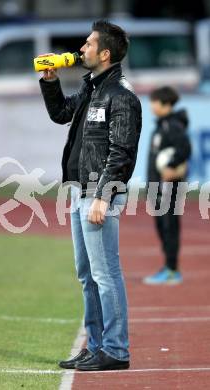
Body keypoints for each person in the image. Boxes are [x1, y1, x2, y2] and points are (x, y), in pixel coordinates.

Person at [39, 20, 142, 371]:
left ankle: (115, 350)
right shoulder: (92, 88)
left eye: (88, 43)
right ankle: (96, 345)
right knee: (87, 274)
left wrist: (103, 195)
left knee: (105, 273)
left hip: (98, 195)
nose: (81, 48)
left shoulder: (122, 96)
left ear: (105, 53)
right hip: (81, 192)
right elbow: (60, 114)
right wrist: (50, 83)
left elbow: (122, 152)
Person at [143, 86, 191, 285]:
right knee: (163, 226)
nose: (152, 105)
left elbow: (185, 149)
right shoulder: (162, 125)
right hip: (158, 187)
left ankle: (172, 270)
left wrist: (171, 167)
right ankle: (169, 266)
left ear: (166, 104)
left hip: (169, 186)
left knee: (169, 226)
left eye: (154, 101)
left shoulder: (172, 126)